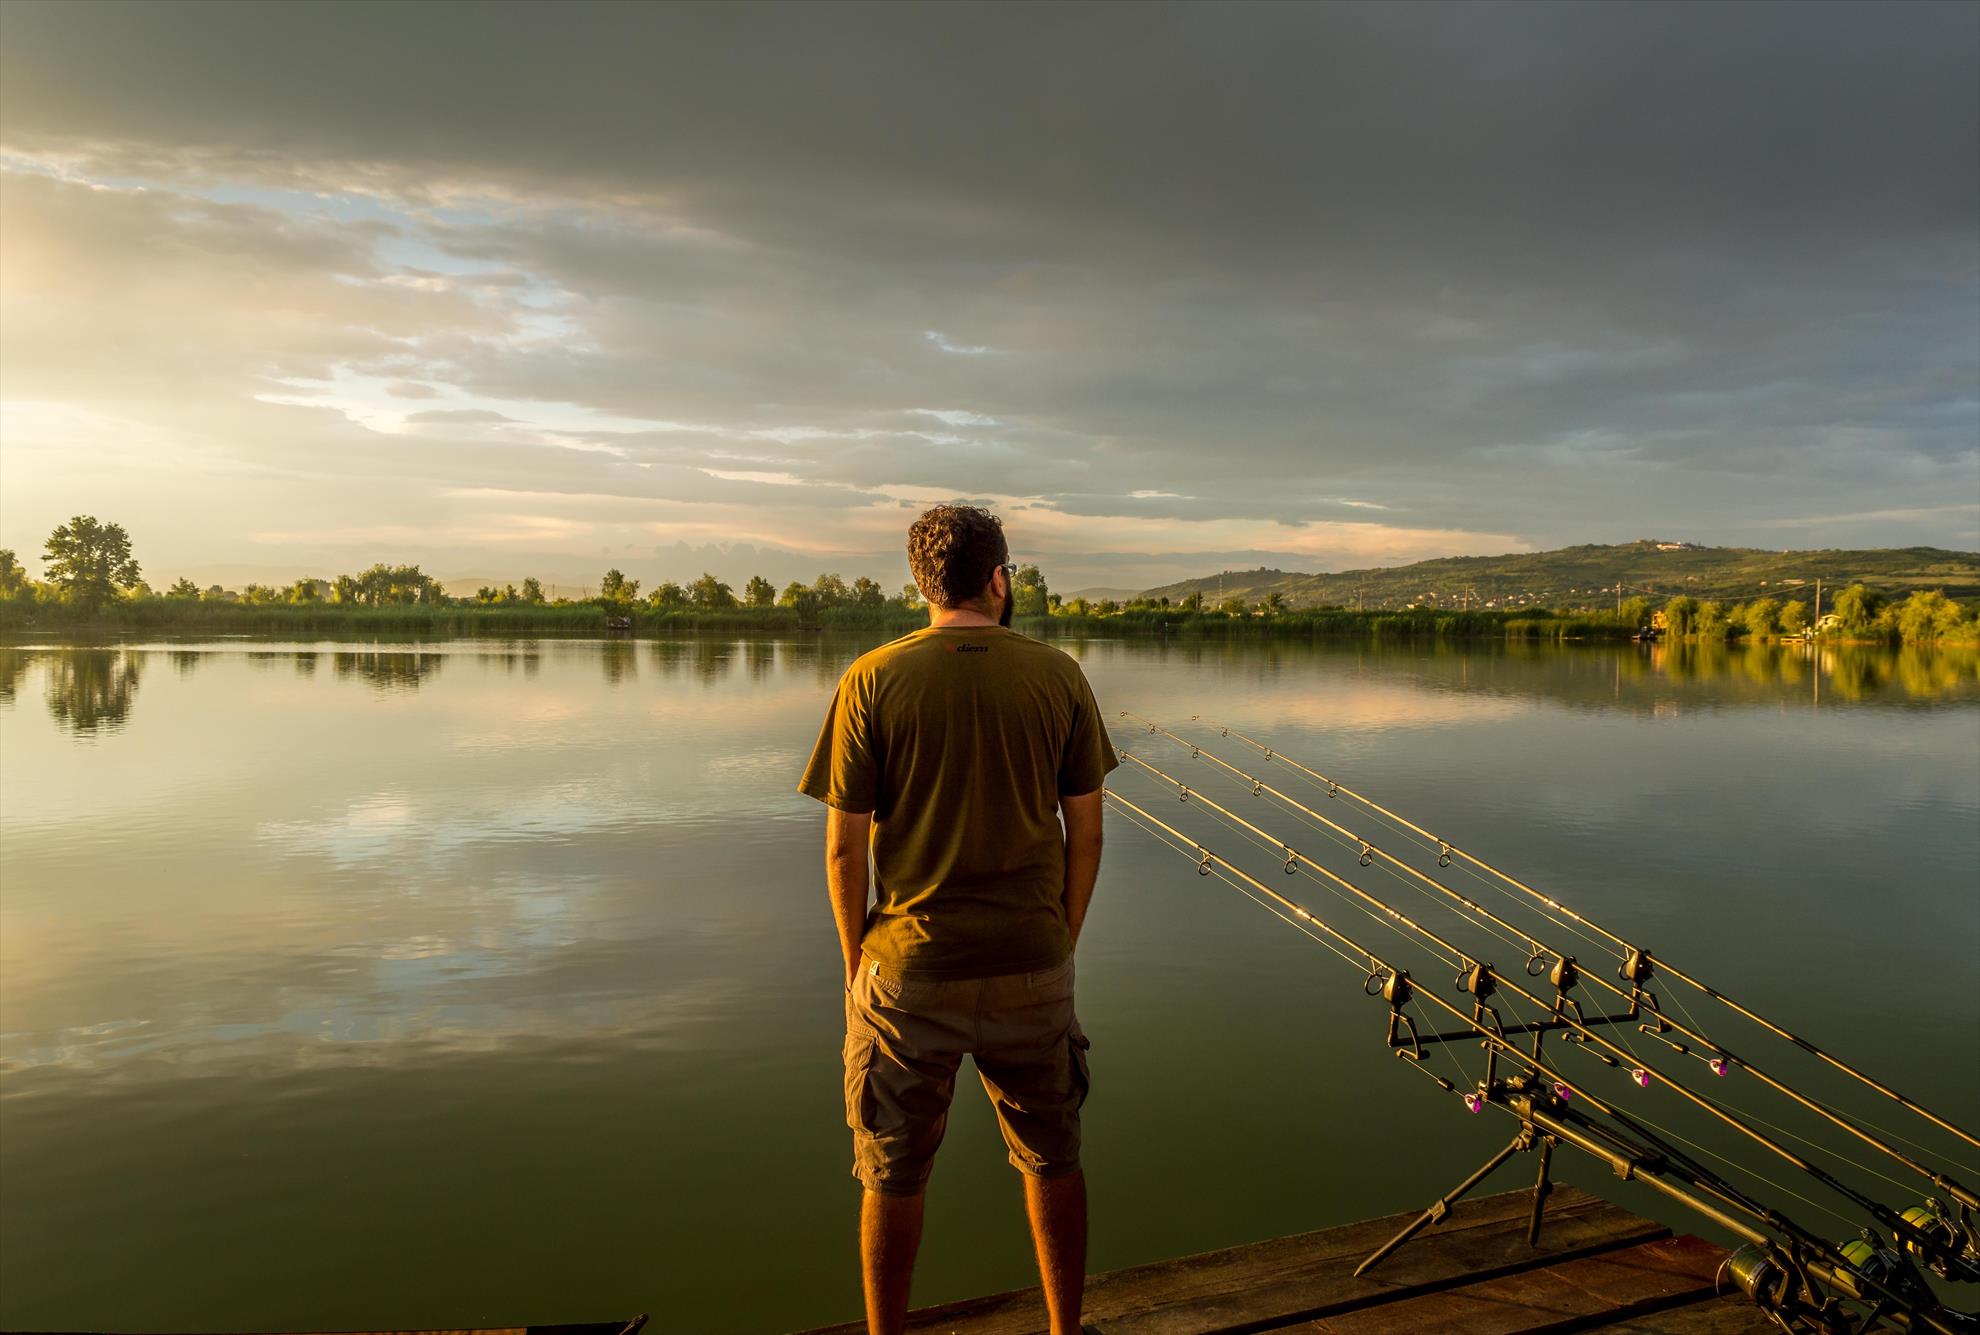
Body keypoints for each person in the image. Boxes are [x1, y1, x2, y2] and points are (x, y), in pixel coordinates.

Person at [798, 503, 1117, 1335]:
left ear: (922, 583)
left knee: (892, 1173)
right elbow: (1087, 831)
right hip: (1033, 961)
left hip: (908, 971)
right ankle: (1064, 1330)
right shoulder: (1059, 676)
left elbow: (844, 851)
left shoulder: (873, 677)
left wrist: (854, 967)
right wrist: (1060, 941)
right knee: (1053, 1156)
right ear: (999, 579)